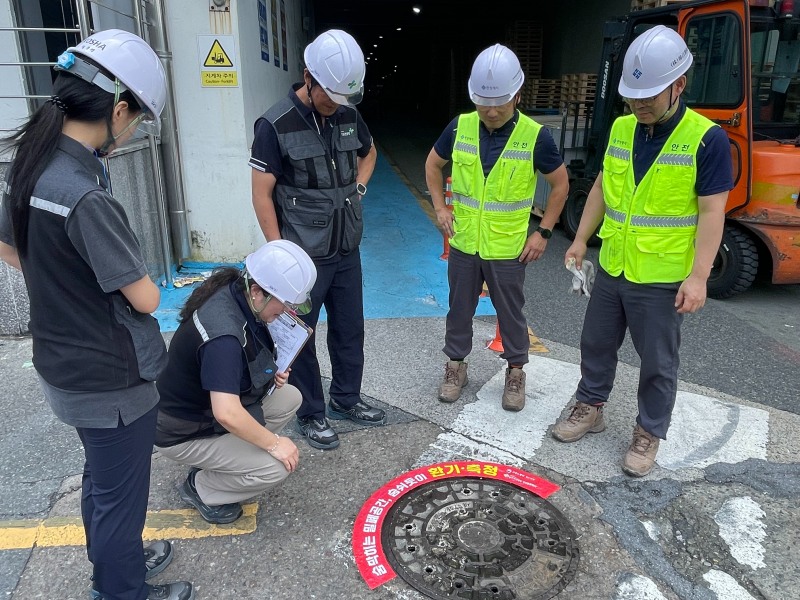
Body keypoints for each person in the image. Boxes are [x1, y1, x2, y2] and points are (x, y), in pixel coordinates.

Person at [0, 30, 192, 600]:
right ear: (118, 109)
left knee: (103, 480)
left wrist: (60, 278)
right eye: (135, 119)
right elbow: (146, 299)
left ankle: (118, 557)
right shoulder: (84, 196)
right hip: (110, 377)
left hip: (62, 363)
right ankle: (121, 589)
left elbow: (13, 249)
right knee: (121, 496)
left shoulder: (27, 166)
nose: (131, 130)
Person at [551, 26, 733, 477]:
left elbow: (713, 213)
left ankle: (649, 429)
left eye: (648, 95)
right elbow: (601, 186)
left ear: (679, 85)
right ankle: (591, 405)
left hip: (661, 276)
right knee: (595, 343)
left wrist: (698, 276)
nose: (639, 104)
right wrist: (579, 239)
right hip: (614, 264)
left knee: (657, 360)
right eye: (632, 96)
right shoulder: (620, 127)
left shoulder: (707, 140)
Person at [249, 29, 383, 451]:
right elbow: (261, 192)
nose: (336, 104)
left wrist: (358, 189)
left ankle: (346, 398)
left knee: (349, 328)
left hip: (346, 247)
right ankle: (311, 412)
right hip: (303, 255)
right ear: (308, 76)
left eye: (344, 97)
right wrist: (279, 254)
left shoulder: (346, 113)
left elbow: (370, 152)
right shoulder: (274, 124)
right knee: (299, 335)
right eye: (330, 95)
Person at [425, 44, 569, 412]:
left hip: (507, 247)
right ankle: (455, 366)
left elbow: (560, 185)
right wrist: (440, 208)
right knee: (459, 309)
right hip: (464, 242)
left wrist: (544, 232)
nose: (490, 111)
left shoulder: (536, 136)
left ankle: (516, 372)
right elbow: (432, 164)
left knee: (511, 313)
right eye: (483, 103)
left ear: (517, 95)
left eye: (499, 103)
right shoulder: (460, 125)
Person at [154, 240, 315, 524]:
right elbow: (226, 412)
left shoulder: (234, 290)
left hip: (202, 410)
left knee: (289, 397)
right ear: (257, 292)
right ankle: (202, 488)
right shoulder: (224, 337)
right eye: (285, 304)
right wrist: (273, 444)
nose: (289, 312)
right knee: (275, 468)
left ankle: (227, 462)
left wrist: (269, 372)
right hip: (183, 431)